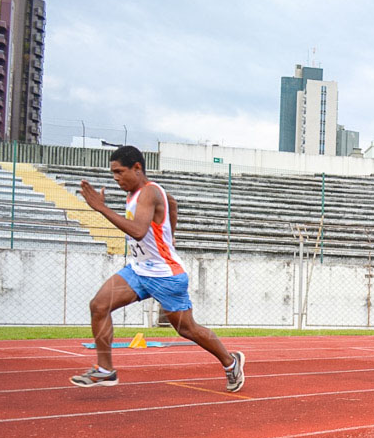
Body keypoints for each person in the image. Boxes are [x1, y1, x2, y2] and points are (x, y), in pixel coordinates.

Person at [71, 145, 245, 391]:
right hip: (139, 270)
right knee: (99, 305)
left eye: (120, 172)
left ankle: (230, 362)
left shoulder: (149, 192)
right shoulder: (137, 194)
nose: (116, 178)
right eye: (113, 174)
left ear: (137, 168)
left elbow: (138, 232)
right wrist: (170, 235)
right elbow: (172, 204)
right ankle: (105, 370)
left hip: (166, 276)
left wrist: (101, 208)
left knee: (188, 329)